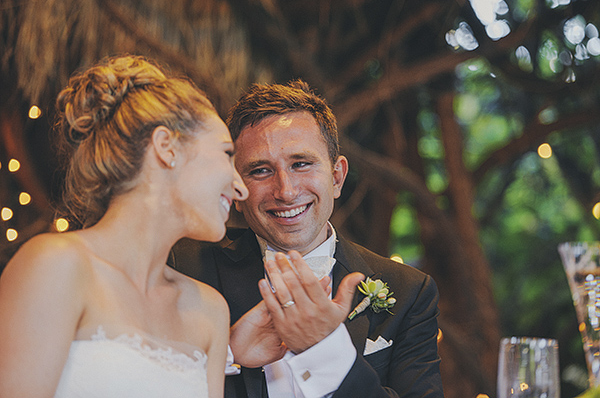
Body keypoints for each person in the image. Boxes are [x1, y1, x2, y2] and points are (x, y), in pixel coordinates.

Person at [170, 80, 444, 398]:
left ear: (337, 177)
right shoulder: (184, 265)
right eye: (260, 170)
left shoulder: (410, 290)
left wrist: (326, 353)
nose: (285, 191)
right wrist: (226, 353)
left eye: (301, 164)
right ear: (237, 188)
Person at [0, 54, 249, 398]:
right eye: (226, 154)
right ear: (167, 148)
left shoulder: (209, 311)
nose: (241, 187)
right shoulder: (56, 265)